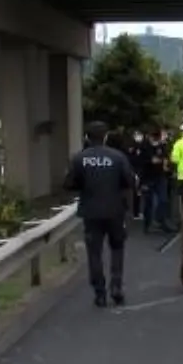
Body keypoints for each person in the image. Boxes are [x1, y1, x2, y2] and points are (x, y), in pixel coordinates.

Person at [64, 121, 136, 307]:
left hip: (91, 212)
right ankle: (116, 287)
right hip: (115, 211)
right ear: (105, 137)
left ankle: (99, 292)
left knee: (94, 252)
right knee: (117, 248)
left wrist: (85, 186)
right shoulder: (118, 157)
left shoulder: (79, 159)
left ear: (86, 138)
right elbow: (129, 181)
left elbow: (69, 184)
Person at [136, 128, 173, 234]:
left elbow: (165, 158)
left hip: (160, 177)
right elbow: (142, 162)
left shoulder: (162, 146)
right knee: (149, 202)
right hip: (147, 178)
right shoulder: (144, 147)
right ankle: (147, 224)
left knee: (163, 200)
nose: (156, 140)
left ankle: (161, 221)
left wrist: (165, 164)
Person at [169, 122, 183, 229]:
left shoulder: (179, 143)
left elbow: (174, 159)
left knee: (182, 199)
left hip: (182, 175)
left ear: (182, 132)